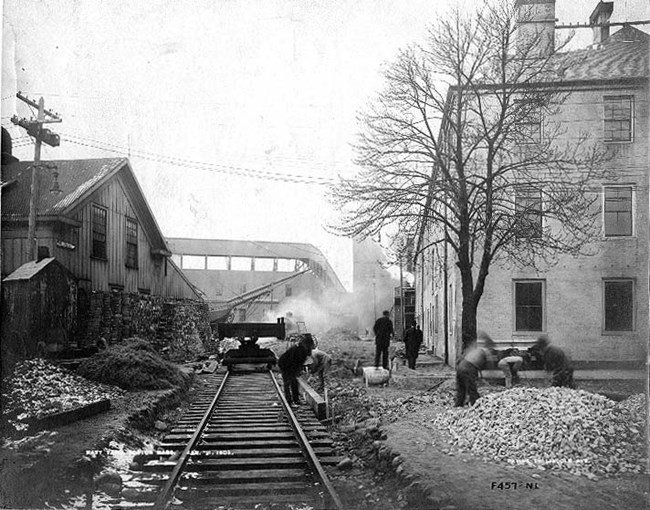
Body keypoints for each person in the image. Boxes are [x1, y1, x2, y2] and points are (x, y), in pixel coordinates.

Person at [455, 331, 497, 407]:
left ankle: (458, 405)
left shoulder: (476, 350)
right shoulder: (487, 352)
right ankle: (476, 405)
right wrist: (491, 377)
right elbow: (490, 365)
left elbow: (465, 357)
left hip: (460, 366)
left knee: (461, 388)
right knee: (472, 389)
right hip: (468, 368)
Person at [278, 333, 315, 406]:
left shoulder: (302, 348)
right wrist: (297, 371)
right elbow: (295, 362)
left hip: (290, 364)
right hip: (285, 364)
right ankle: (289, 402)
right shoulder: (301, 350)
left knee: (294, 382)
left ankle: (296, 400)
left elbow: (299, 363)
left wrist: (298, 370)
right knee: (288, 382)